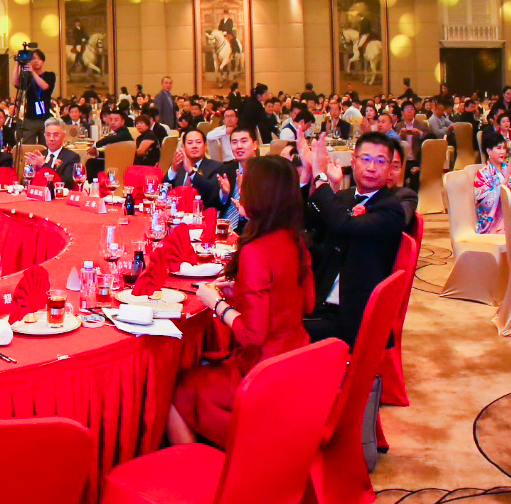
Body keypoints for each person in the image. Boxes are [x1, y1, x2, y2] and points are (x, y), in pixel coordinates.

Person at [174, 157, 313, 446]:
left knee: (177, 390)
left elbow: (253, 334)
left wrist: (216, 303)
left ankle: (194, 466)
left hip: (262, 372)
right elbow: (306, 303)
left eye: (244, 184)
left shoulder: (256, 252)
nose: (240, 189)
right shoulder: (295, 241)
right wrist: (241, 291)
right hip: (297, 360)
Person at [300, 131, 407, 345]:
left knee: (276, 333)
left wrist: (320, 177)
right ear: (353, 161)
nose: (371, 167)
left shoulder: (391, 209)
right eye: (365, 159)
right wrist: (307, 176)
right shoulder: (345, 197)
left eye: (380, 161)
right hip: (323, 303)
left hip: (354, 318)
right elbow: (306, 221)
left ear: (391, 168)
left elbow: (345, 225)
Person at [473, 127, 511, 254]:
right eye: (498, 148)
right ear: (489, 151)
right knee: (505, 229)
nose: (502, 152)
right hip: (495, 221)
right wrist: (505, 181)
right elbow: (483, 202)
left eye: (504, 148)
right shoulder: (483, 174)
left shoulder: (509, 169)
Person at [162, 128, 227, 210]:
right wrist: (173, 169)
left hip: (202, 214)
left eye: (198, 142)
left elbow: (212, 193)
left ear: (205, 146)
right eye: (190, 143)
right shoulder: (179, 167)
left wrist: (191, 171)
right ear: (183, 147)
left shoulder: (216, 167)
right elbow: (163, 192)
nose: (194, 146)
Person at [23, 120, 82, 188]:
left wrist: (43, 165)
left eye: (56, 135)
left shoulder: (72, 157)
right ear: (44, 136)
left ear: (64, 136)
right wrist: (32, 168)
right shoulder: (40, 155)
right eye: (48, 135)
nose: (51, 139)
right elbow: (24, 182)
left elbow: (67, 183)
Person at [16, 49, 55, 144]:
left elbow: (44, 86)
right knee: (28, 145)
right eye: (33, 58)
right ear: (30, 61)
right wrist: (17, 64)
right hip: (30, 117)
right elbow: (16, 83)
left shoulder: (49, 75)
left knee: (47, 145)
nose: (36, 61)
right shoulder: (27, 77)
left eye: (39, 59)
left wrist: (32, 72)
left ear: (43, 61)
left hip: (45, 117)